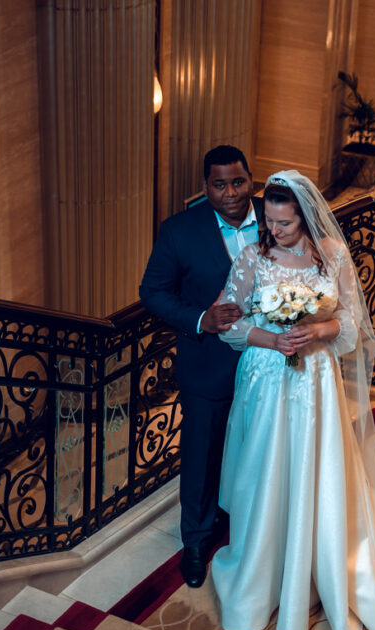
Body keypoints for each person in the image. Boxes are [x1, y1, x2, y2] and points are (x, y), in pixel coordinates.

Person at [211, 170, 375, 630]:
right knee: (265, 469)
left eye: (284, 223)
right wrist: (272, 338)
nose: (274, 230)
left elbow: (350, 322)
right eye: (268, 221)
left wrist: (316, 331)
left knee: (316, 467)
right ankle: (263, 569)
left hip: (315, 378)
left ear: (306, 218)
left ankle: (321, 558)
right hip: (267, 378)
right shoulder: (252, 257)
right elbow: (227, 322)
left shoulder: (331, 256)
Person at [139, 145, 262, 588]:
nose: (231, 193)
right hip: (207, 368)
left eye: (238, 182)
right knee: (201, 456)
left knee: (260, 450)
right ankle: (195, 540)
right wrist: (199, 319)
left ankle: (254, 530)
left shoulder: (279, 219)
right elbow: (153, 292)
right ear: (205, 187)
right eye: (219, 184)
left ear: (252, 180)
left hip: (269, 365)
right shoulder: (179, 231)